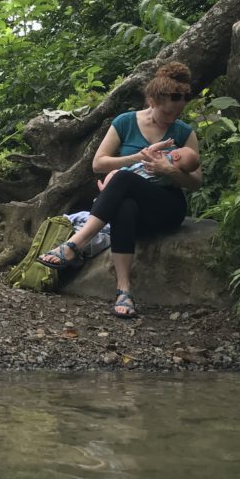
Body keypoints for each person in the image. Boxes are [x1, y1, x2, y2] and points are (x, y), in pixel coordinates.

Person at [37, 62, 203, 319]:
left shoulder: (183, 132)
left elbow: (196, 182)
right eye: (167, 113)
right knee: (124, 205)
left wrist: (168, 170)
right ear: (153, 100)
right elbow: (98, 164)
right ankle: (123, 290)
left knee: (123, 180)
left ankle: (75, 244)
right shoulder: (126, 122)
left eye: (177, 113)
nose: (173, 119)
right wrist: (139, 156)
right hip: (133, 206)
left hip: (166, 206)